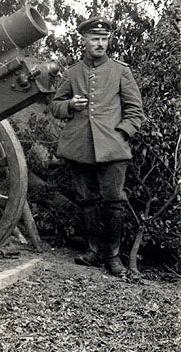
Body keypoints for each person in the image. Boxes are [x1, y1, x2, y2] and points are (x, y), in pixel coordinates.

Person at [48, 16, 144, 276]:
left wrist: (122, 134)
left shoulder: (120, 71)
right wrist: (70, 105)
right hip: (80, 146)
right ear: (85, 40)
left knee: (114, 201)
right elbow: (55, 106)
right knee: (86, 200)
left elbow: (135, 110)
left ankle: (113, 257)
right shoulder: (73, 72)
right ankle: (93, 251)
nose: (100, 44)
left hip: (112, 148)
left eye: (104, 39)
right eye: (95, 39)